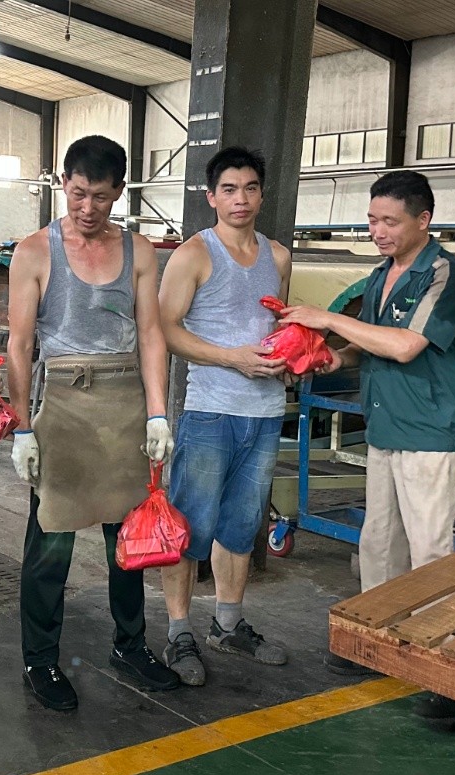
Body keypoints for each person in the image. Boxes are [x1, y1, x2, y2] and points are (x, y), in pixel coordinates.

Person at [280, 170, 455, 720]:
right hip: (387, 426)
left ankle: (444, 668)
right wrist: (330, 357)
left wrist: (326, 318)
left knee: (430, 549)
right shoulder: (380, 274)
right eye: (371, 220)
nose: (378, 231)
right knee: (380, 539)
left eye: (390, 221)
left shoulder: (446, 274)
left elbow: (407, 346)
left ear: (423, 220)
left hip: (430, 430)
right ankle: (377, 643)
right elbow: (367, 346)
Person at [6, 134, 180, 712]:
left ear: (119, 192)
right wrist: (22, 427)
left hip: (125, 405)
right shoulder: (36, 251)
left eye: (100, 197)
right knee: (50, 541)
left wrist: (158, 413)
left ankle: (130, 645)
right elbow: (20, 345)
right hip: (64, 405)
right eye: (78, 193)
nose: (87, 208)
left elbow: (151, 334)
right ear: (64, 183)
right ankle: (40, 658)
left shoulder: (140, 251)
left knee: (128, 540)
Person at [156, 146, 291, 688]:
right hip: (211, 411)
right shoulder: (194, 254)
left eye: (251, 188)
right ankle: (178, 631)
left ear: (261, 194)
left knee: (241, 525)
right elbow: (166, 329)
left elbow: (278, 326)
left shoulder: (278, 256)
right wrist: (233, 358)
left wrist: (294, 355)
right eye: (229, 189)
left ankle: (228, 624)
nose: (241, 199)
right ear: (211, 196)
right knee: (190, 526)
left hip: (266, 411)